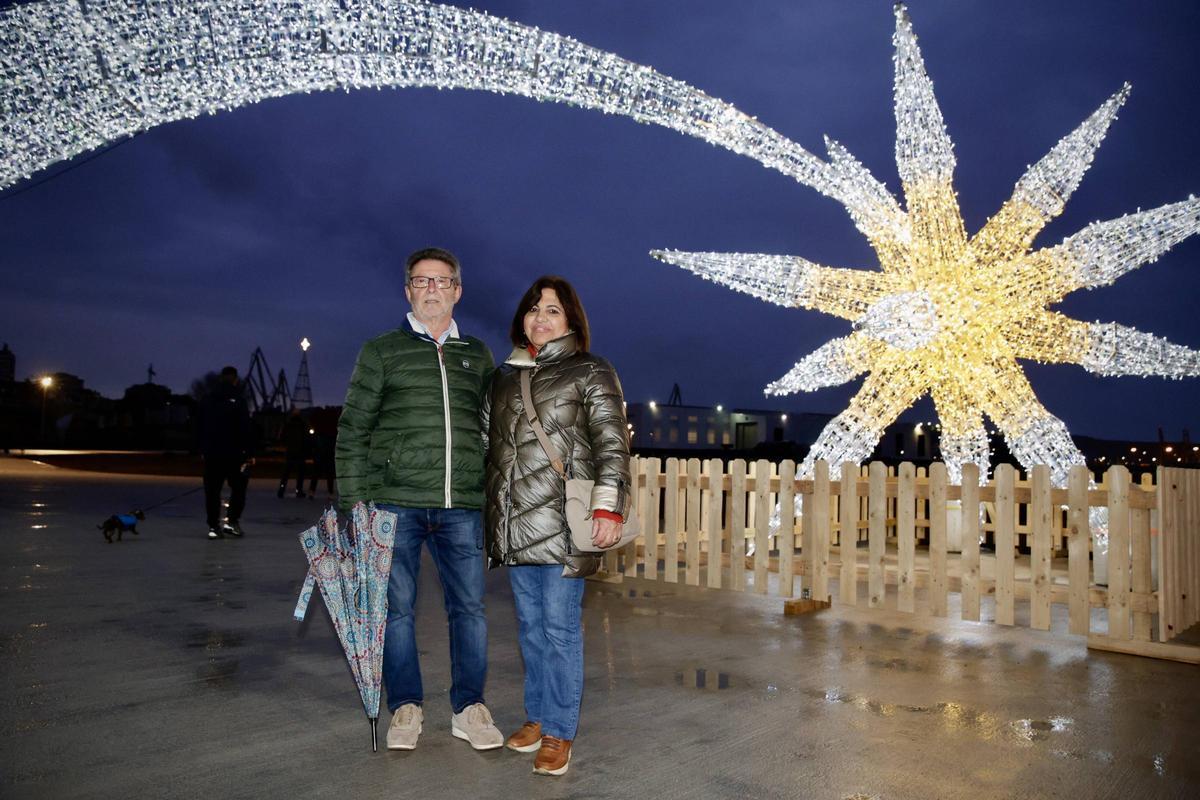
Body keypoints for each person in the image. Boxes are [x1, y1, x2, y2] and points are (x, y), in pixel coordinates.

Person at [336, 247, 499, 751]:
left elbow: (494, 430)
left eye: (442, 281)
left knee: (469, 609)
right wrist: (355, 505)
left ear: (457, 290)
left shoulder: (478, 354)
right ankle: (405, 706)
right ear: (408, 290)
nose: (432, 289)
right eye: (422, 281)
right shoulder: (381, 350)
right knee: (396, 612)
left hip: (461, 507)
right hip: (394, 504)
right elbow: (353, 429)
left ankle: (469, 707)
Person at [483, 275, 631, 776]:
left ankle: (560, 732)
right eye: (533, 309)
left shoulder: (591, 370)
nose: (540, 318)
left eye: (551, 310)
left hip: (565, 521)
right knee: (529, 629)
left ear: (570, 319)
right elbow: (490, 449)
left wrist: (609, 508)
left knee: (560, 629)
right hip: (516, 523)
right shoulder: (504, 376)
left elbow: (612, 443)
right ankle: (538, 716)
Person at [198, 366, 253, 540]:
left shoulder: (208, 398)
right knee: (238, 488)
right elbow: (245, 427)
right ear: (235, 379)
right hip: (234, 453)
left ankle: (214, 526)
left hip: (213, 453)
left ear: (221, 378)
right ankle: (232, 522)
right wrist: (249, 452)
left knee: (212, 490)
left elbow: (199, 424)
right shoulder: (239, 399)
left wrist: (202, 449)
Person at [277, 408, 310, 498]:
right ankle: (298, 491)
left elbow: (282, 437)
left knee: (286, 473)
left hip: (290, 451)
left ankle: (281, 490)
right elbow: (306, 438)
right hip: (300, 452)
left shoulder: (287, 425)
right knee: (300, 473)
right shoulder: (302, 425)